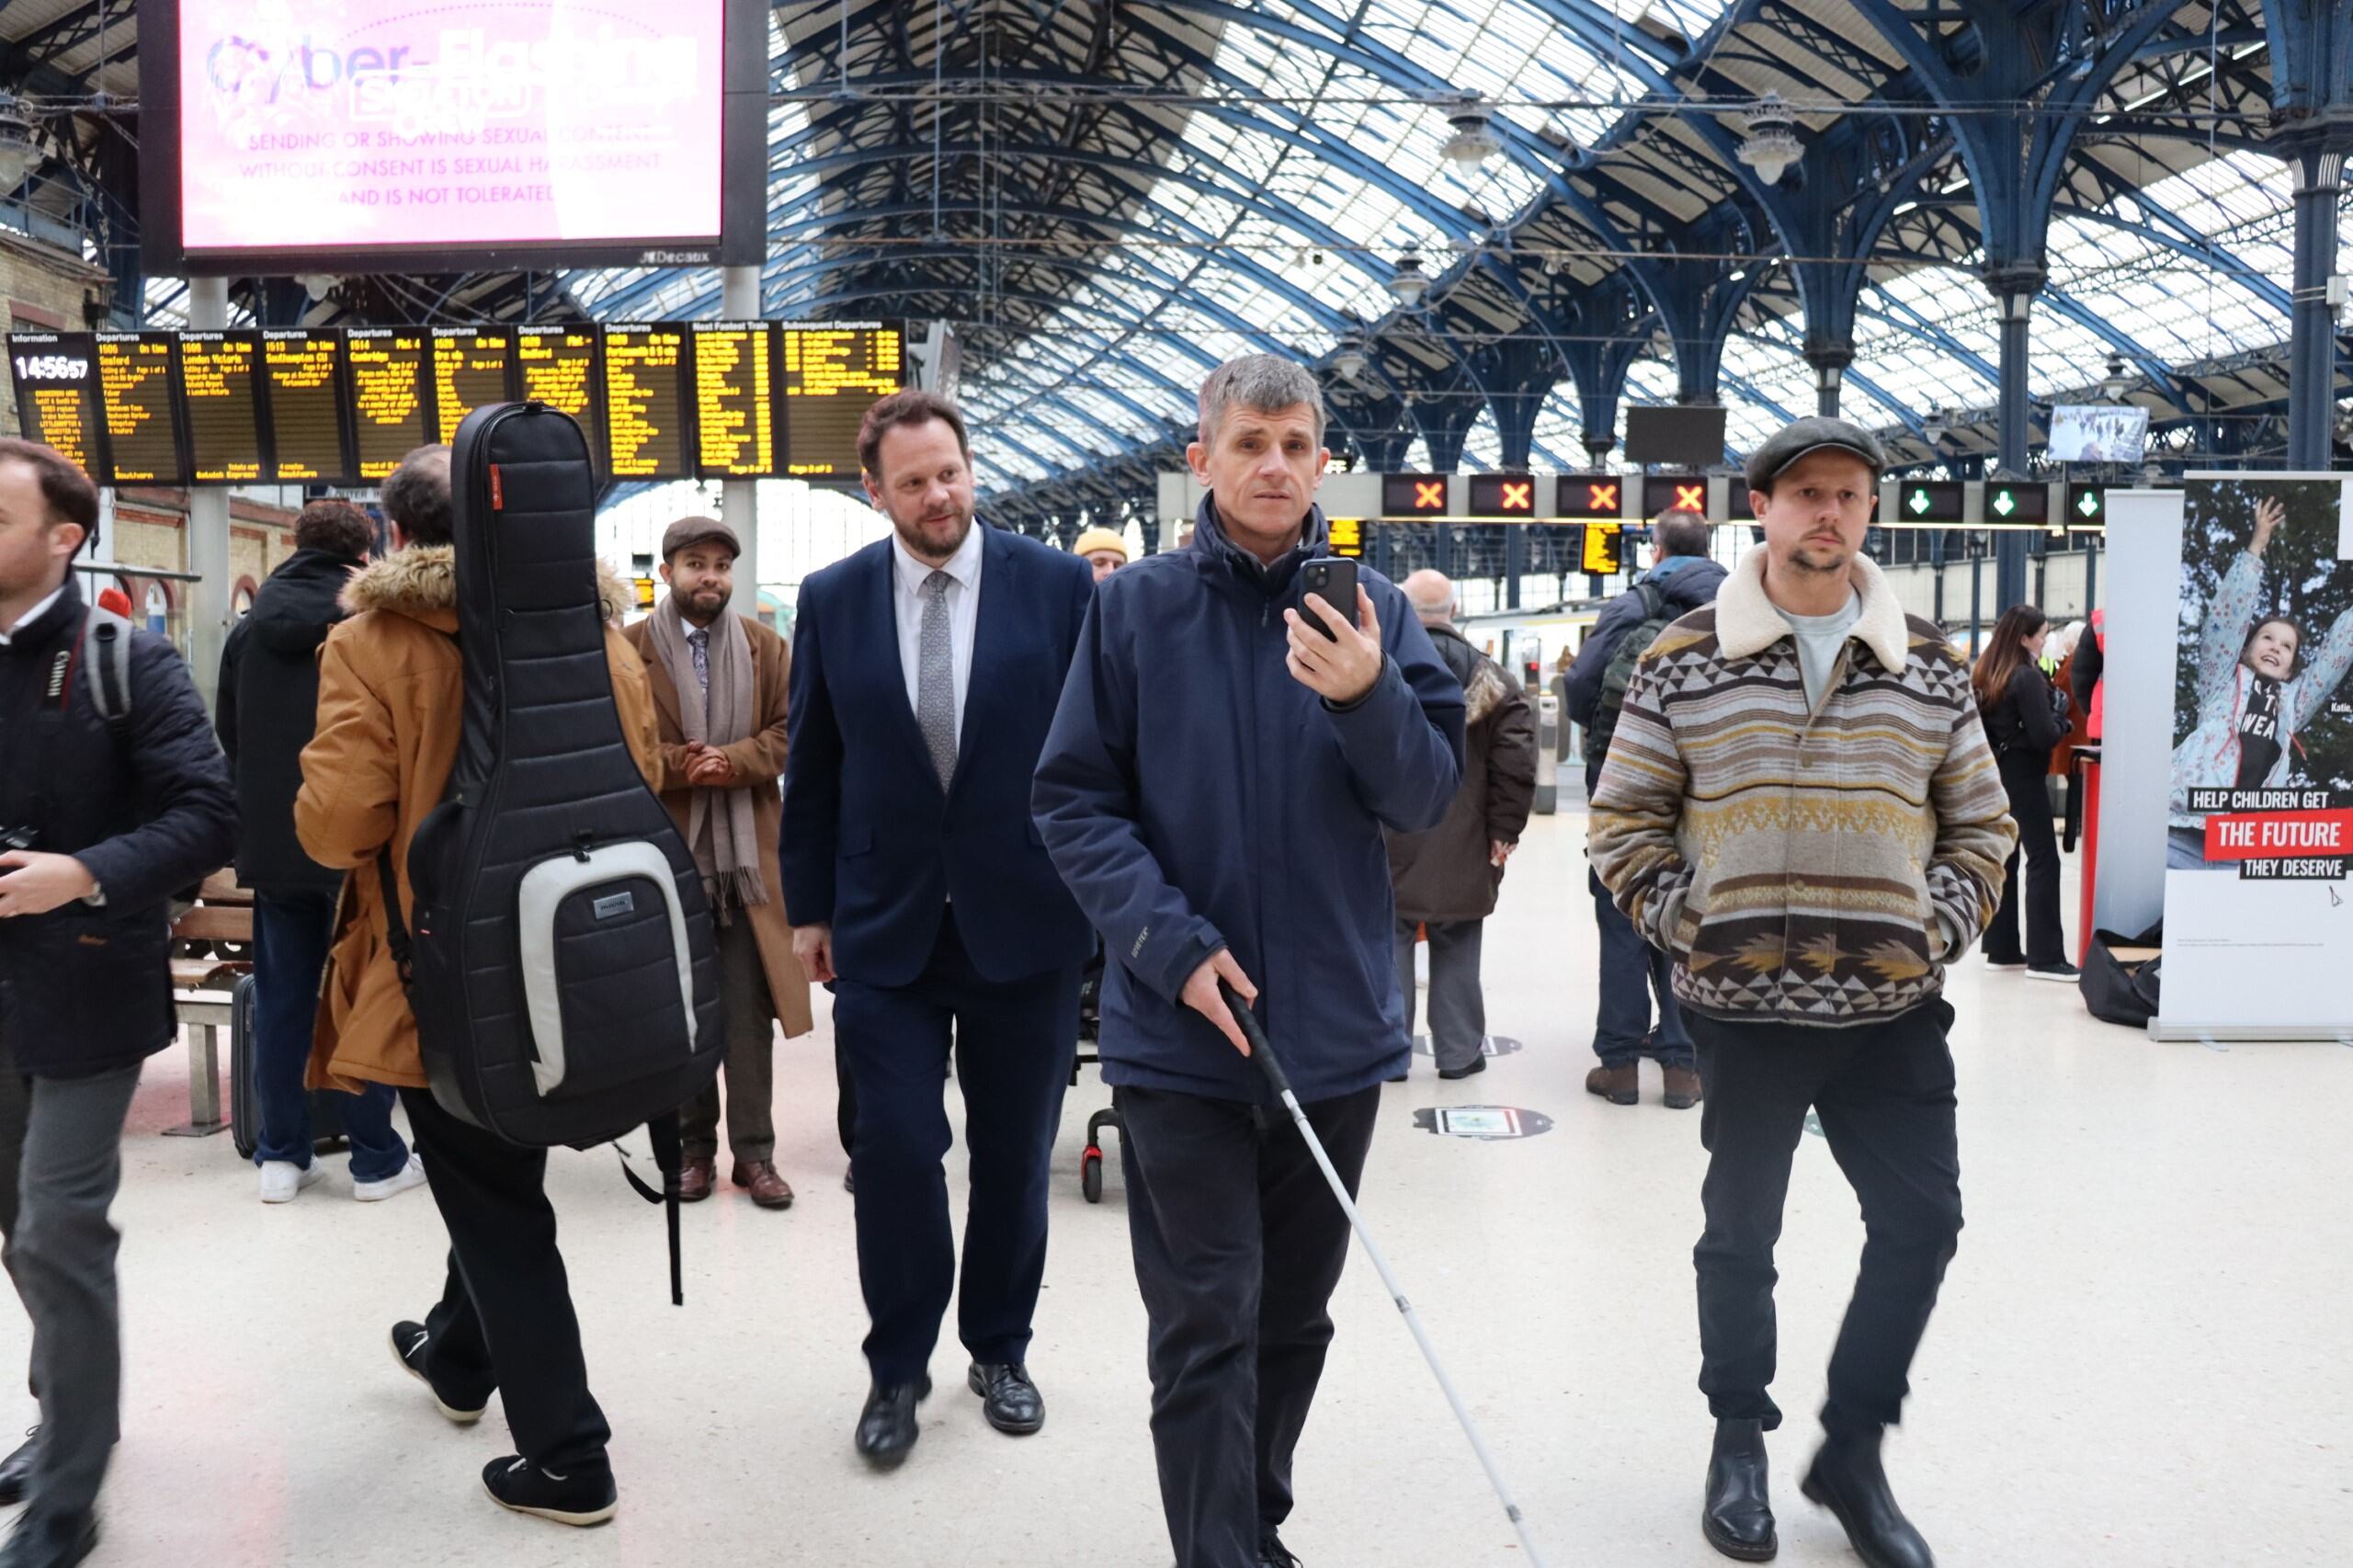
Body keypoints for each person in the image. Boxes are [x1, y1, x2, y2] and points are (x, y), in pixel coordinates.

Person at [1033, 354, 1463, 1568]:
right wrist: (1172, 946)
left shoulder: (1373, 608)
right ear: (1202, 460)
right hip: (1181, 1035)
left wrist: (1371, 691)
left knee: (1294, 1316)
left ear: (1323, 458)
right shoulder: (1132, 610)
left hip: (1334, 1031)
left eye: (1295, 442)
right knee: (1207, 1316)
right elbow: (1073, 801)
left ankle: (1252, 1512)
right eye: (1248, 443)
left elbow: (1427, 796)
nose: (1274, 464)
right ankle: (1218, 1551)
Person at [1589, 416, 2016, 1568]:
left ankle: (1852, 1450)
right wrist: (1692, 922)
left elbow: (1982, 821)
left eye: (1850, 495)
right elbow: (1621, 818)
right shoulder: (1683, 654)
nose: (1828, 513)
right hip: (1742, 1012)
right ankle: (1738, 1437)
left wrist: (1932, 931)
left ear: (1869, 513)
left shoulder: (1924, 657)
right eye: (1807, 493)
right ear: (1763, 508)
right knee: (1741, 1233)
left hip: (1891, 1009)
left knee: (1922, 1222)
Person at [296, 445, 661, 1528]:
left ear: (397, 537)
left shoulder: (369, 641)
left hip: (438, 969)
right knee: (495, 1171)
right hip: (571, 960)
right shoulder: (595, 633)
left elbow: (337, 826)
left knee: (496, 1204)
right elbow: (643, 779)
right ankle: (459, 1357)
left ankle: (568, 1453)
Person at [781, 389, 1096, 1469]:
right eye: (911, 481)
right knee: (898, 1149)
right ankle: (896, 1365)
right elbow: (811, 767)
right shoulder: (831, 597)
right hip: (884, 924)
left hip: (1028, 916)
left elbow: (1099, 750)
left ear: (972, 467)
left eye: (950, 471)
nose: (937, 495)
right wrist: (807, 908)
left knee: (1013, 1156)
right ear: (875, 493)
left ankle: (999, 1348)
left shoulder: (1056, 586)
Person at [0, 437, 236, 1568]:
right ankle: (65, 1412)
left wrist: (81, 870)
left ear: (63, 536)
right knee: (20, 1229)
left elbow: (207, 810)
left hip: (86, 980)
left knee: (58, 1224)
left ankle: (64, 1496)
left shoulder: (124, 661)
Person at [216, 497, 426, 1204]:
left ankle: (281, 1157)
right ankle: (375, 1159)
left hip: (275, 845)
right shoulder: (369, 626)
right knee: (361, 993)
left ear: (293, 544)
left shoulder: (247, 632)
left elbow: (230, 737)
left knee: (281, 999)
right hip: (354, 843)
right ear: (364, 552)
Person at [621, 517, 813, 1210]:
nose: (711, 578)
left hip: (747, 866)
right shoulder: (630, 649)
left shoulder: (767, 648)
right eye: (696, 564)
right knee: (678, 1013)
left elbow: (795, 733)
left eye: (722, 566)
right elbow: (621, 742)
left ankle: (754, 1155)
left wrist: (733, 761)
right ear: (668, 570)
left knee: (744, 1014)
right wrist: (684, 766)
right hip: (664, 859)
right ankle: (692, 1151)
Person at [1563, 506, 1724, 1110]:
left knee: (1622, 916)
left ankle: (1621, 1064)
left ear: (1656, 551)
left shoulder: (1635, 606)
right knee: (1690, 919)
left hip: (1626, 791)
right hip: (1713, 797)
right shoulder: (1744, 610)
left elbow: (1581, 691)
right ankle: (1684, 1068)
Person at [1385, 569, 1535, 1079]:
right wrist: (1504, 831)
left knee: (1390, 943)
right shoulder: (1496, 681)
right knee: (1458, 943)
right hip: (1467, 840)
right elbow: (1516, 763)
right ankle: (1458, 1053)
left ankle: (1389, 1052)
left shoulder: (1377, 669)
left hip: (1387, 838)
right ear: (1453, 611)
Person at [2166, 495, 2353, 868]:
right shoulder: (2221, 680)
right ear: (2246, 646)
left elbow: (2336, 655)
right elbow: (2228, 618)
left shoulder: (2293, 703)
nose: (2276, 648)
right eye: (2267, 638)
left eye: (2287, 647)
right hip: (2183, 828)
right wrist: (2257, 546)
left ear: (2289, 669)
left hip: (2240, 841)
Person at [1972, 605, 2076, 980]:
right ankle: (2046, 957)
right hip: (2026, 778)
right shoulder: (2026, 677)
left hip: (1995, 777)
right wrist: (2061, 721)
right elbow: (2044, 735)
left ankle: (2002, 948)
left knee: (2007, 861)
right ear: (2024, 637)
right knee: (2044, 860)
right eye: (2042, 634)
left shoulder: (1987, 672)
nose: (2045, 640)